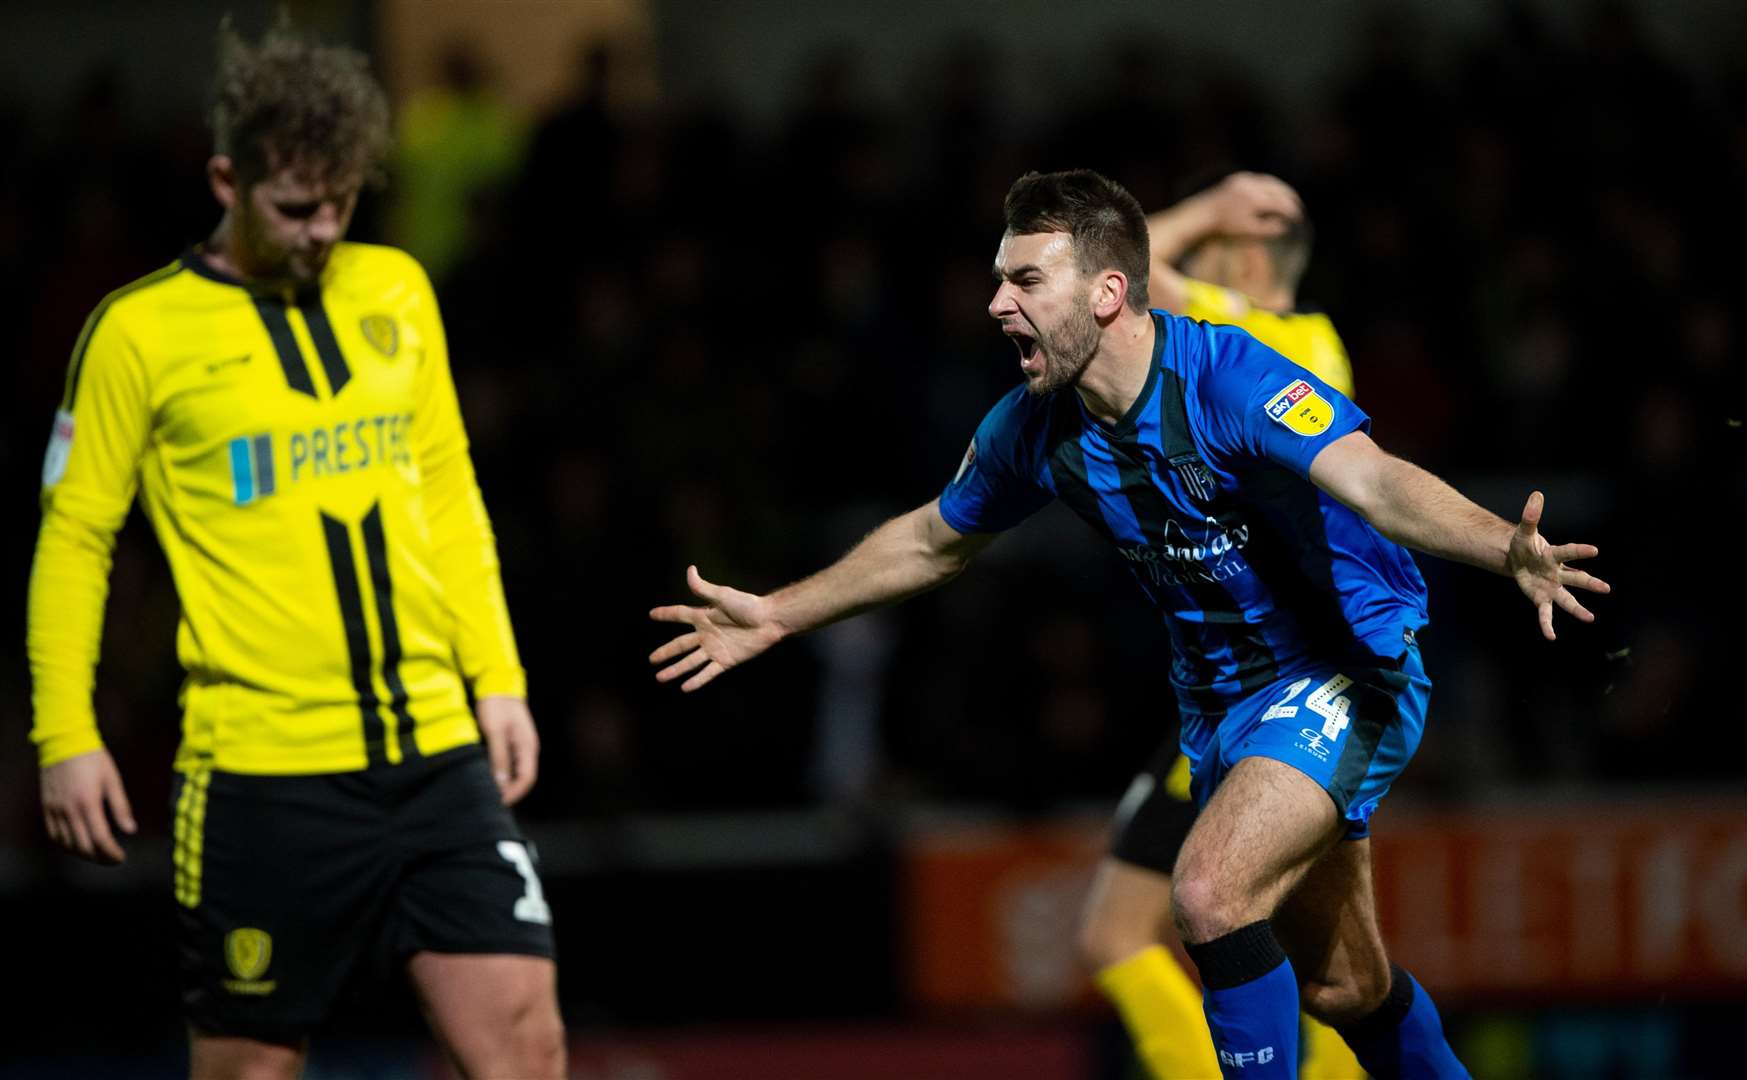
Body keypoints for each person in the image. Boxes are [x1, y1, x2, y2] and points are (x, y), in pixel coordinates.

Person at [651, 169, 1608, 1079]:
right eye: (997, 279)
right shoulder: (1032, 428)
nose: (996, 304)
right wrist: (776, 613)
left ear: (1107, 293)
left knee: (1205, 893)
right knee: (1344, 986)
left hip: (1345, 671)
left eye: (1025, 279)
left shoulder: (1229, 374)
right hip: (1220, 710)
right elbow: (931, 542)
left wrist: (1502, 548)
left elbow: (1375, 479)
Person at [28, 23, 564, 1080]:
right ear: (227, 177)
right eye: (295, 207)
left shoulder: (398, 291)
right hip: (261, 777)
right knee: (251, 1070)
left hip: (435, 754)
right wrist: (64, 732)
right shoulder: (137, 334)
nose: (323, 230)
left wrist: (496, 678)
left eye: (343, 202)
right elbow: (77, 537)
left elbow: (449, 496)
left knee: (523, 1047)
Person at [1079, 171, 1365, 1079]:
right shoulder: (1314, 343)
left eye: (1205, 257)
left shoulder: (1259, 339)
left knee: (1135, 931)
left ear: (1242, 260)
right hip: (1252, 679)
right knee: (1303, 958)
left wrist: (1209, 205)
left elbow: (1106, 274)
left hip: (1276, 683)